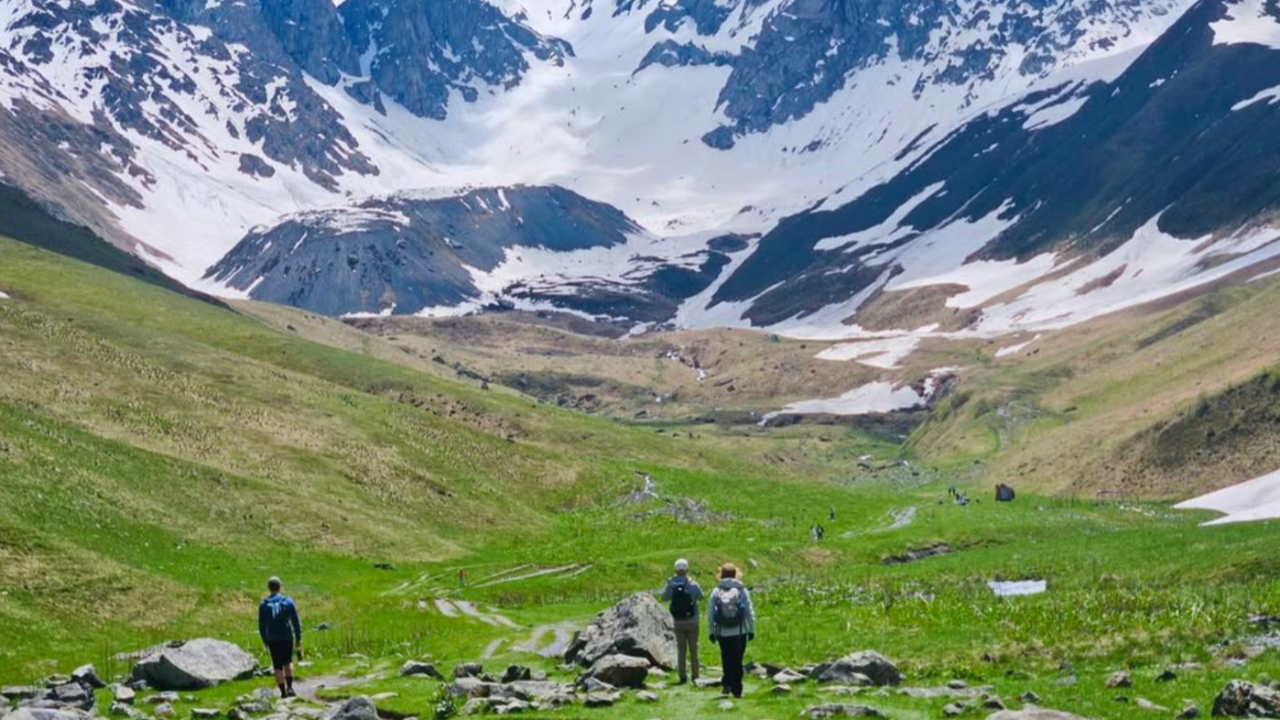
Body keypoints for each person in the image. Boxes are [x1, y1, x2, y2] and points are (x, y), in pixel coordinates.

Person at [708, 563, 755, 699]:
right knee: (737, 659)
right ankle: (737, 689)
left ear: (721, 575)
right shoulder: (741, 590)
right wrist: (751, 629)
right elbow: (749, 611)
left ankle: (727, 682)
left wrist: (712, 631)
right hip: (740, 631)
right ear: (735, 574)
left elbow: (711, 613)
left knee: (726, 657)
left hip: (723, 632)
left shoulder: (716, 591)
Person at [661, 559, 704, 684]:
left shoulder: (671, 584)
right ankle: (695, 676)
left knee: (681, 649)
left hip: (677, 621)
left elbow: (664, 597)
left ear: (675, 570)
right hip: (692, 620)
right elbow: (701, 597)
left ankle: (682, 676)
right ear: (687, 570)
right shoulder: (692, 584)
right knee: (694, 649)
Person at [258, 576, 303, 698]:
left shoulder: (263, 605)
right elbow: (296, 622)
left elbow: (261, 626)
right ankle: (290, 688)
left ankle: (282, 692)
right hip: (286, 637)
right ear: (280, 587)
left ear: (269, 588)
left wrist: (265, 641)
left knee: (277, 665)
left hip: (272, 639)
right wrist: (298, 638)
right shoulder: (288, 601)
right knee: (288, 661)